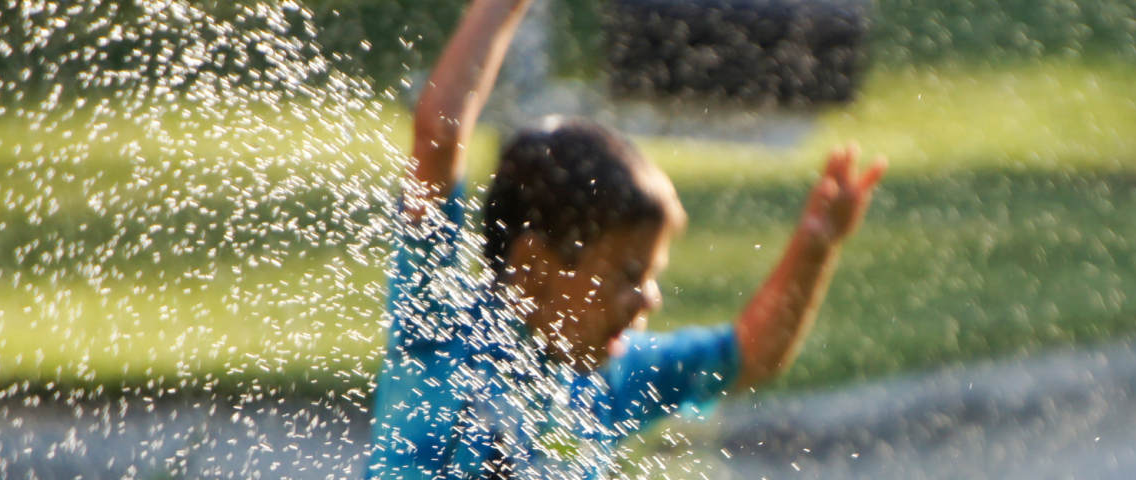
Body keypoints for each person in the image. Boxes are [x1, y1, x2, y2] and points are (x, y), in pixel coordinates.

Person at [364, 0, 887, 478]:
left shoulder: (608, 380)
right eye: (628, 275)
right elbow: (438, 134)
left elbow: (751, 353)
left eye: (651, 277)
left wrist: (815, 246)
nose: (649, 298)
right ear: (535, 268)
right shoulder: (438, 328)